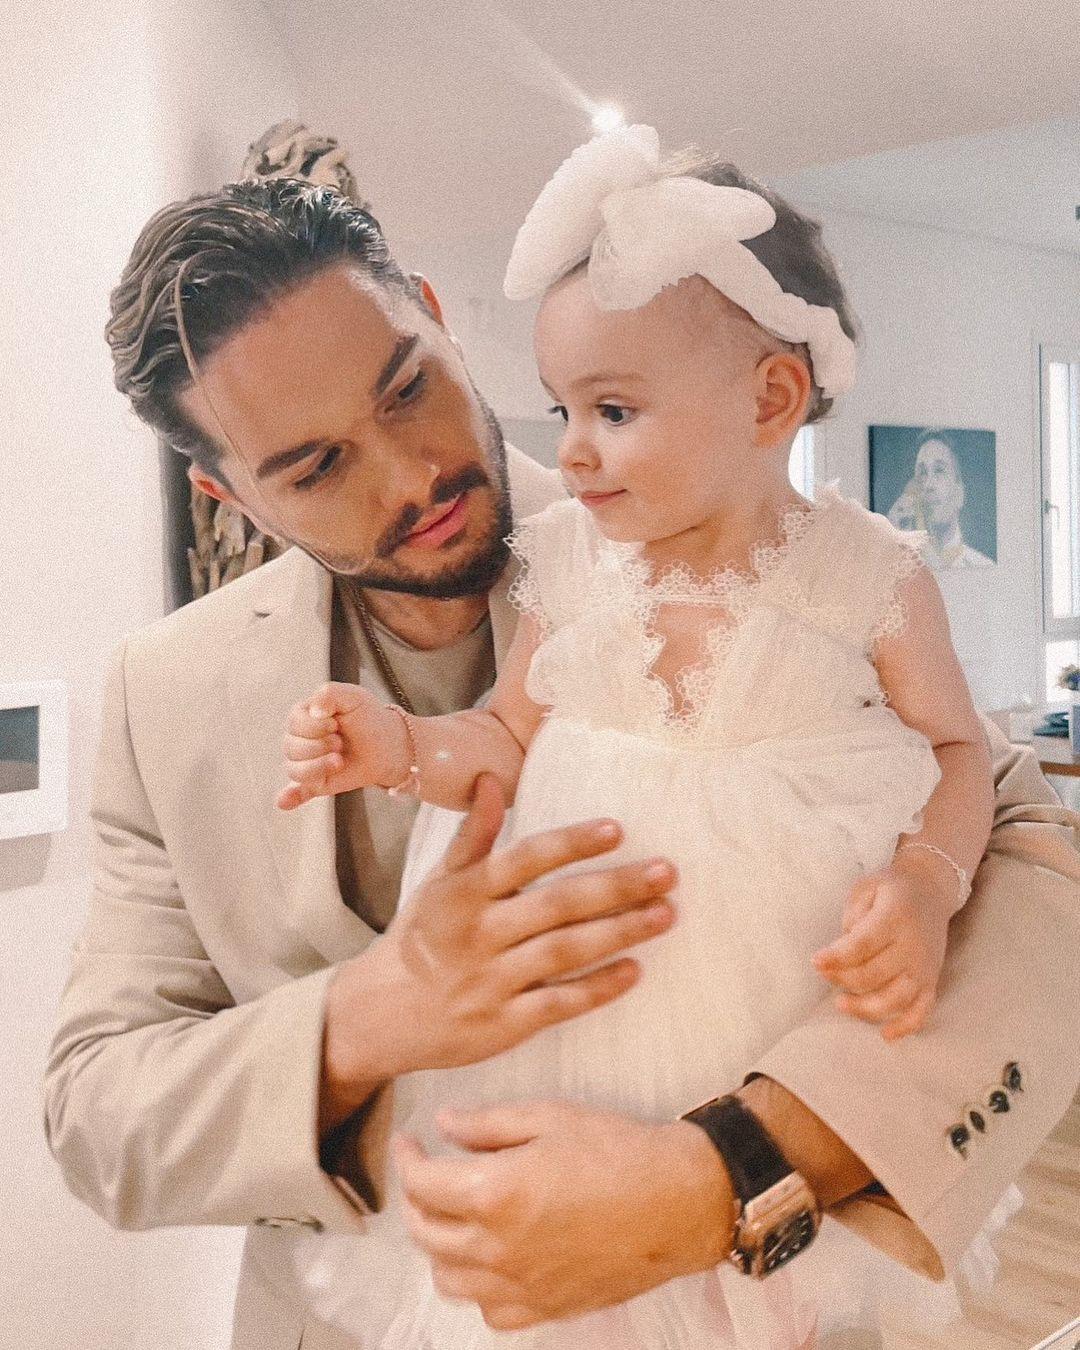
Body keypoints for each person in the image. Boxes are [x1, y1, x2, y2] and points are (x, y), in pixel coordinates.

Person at [43, 154, 1080, 1350]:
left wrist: (725, 1171)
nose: (415, 474)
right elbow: (98, 1109)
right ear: (232, 497)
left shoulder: (698, 523)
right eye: (318, 466)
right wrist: (370, 1018)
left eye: (407, 389)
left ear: (435, 317)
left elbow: (1030, 857)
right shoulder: (164, 693)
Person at [273, 124, 995, 1347]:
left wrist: (928, 884)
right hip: (575, 1011)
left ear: (770, 399)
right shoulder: (569, 561)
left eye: (613, 408)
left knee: (766, 1292)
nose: (570, 448)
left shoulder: (864, 575)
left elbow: (964, 755)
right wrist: (396, 746)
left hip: (768, 1001)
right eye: (564, 407)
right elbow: (503, 741)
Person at [887, 431, 994, 568]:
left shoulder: (984, 565)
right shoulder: (899, 563)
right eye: (922, 473)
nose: (928, 485)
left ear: (960, 493)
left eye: (939, 470)